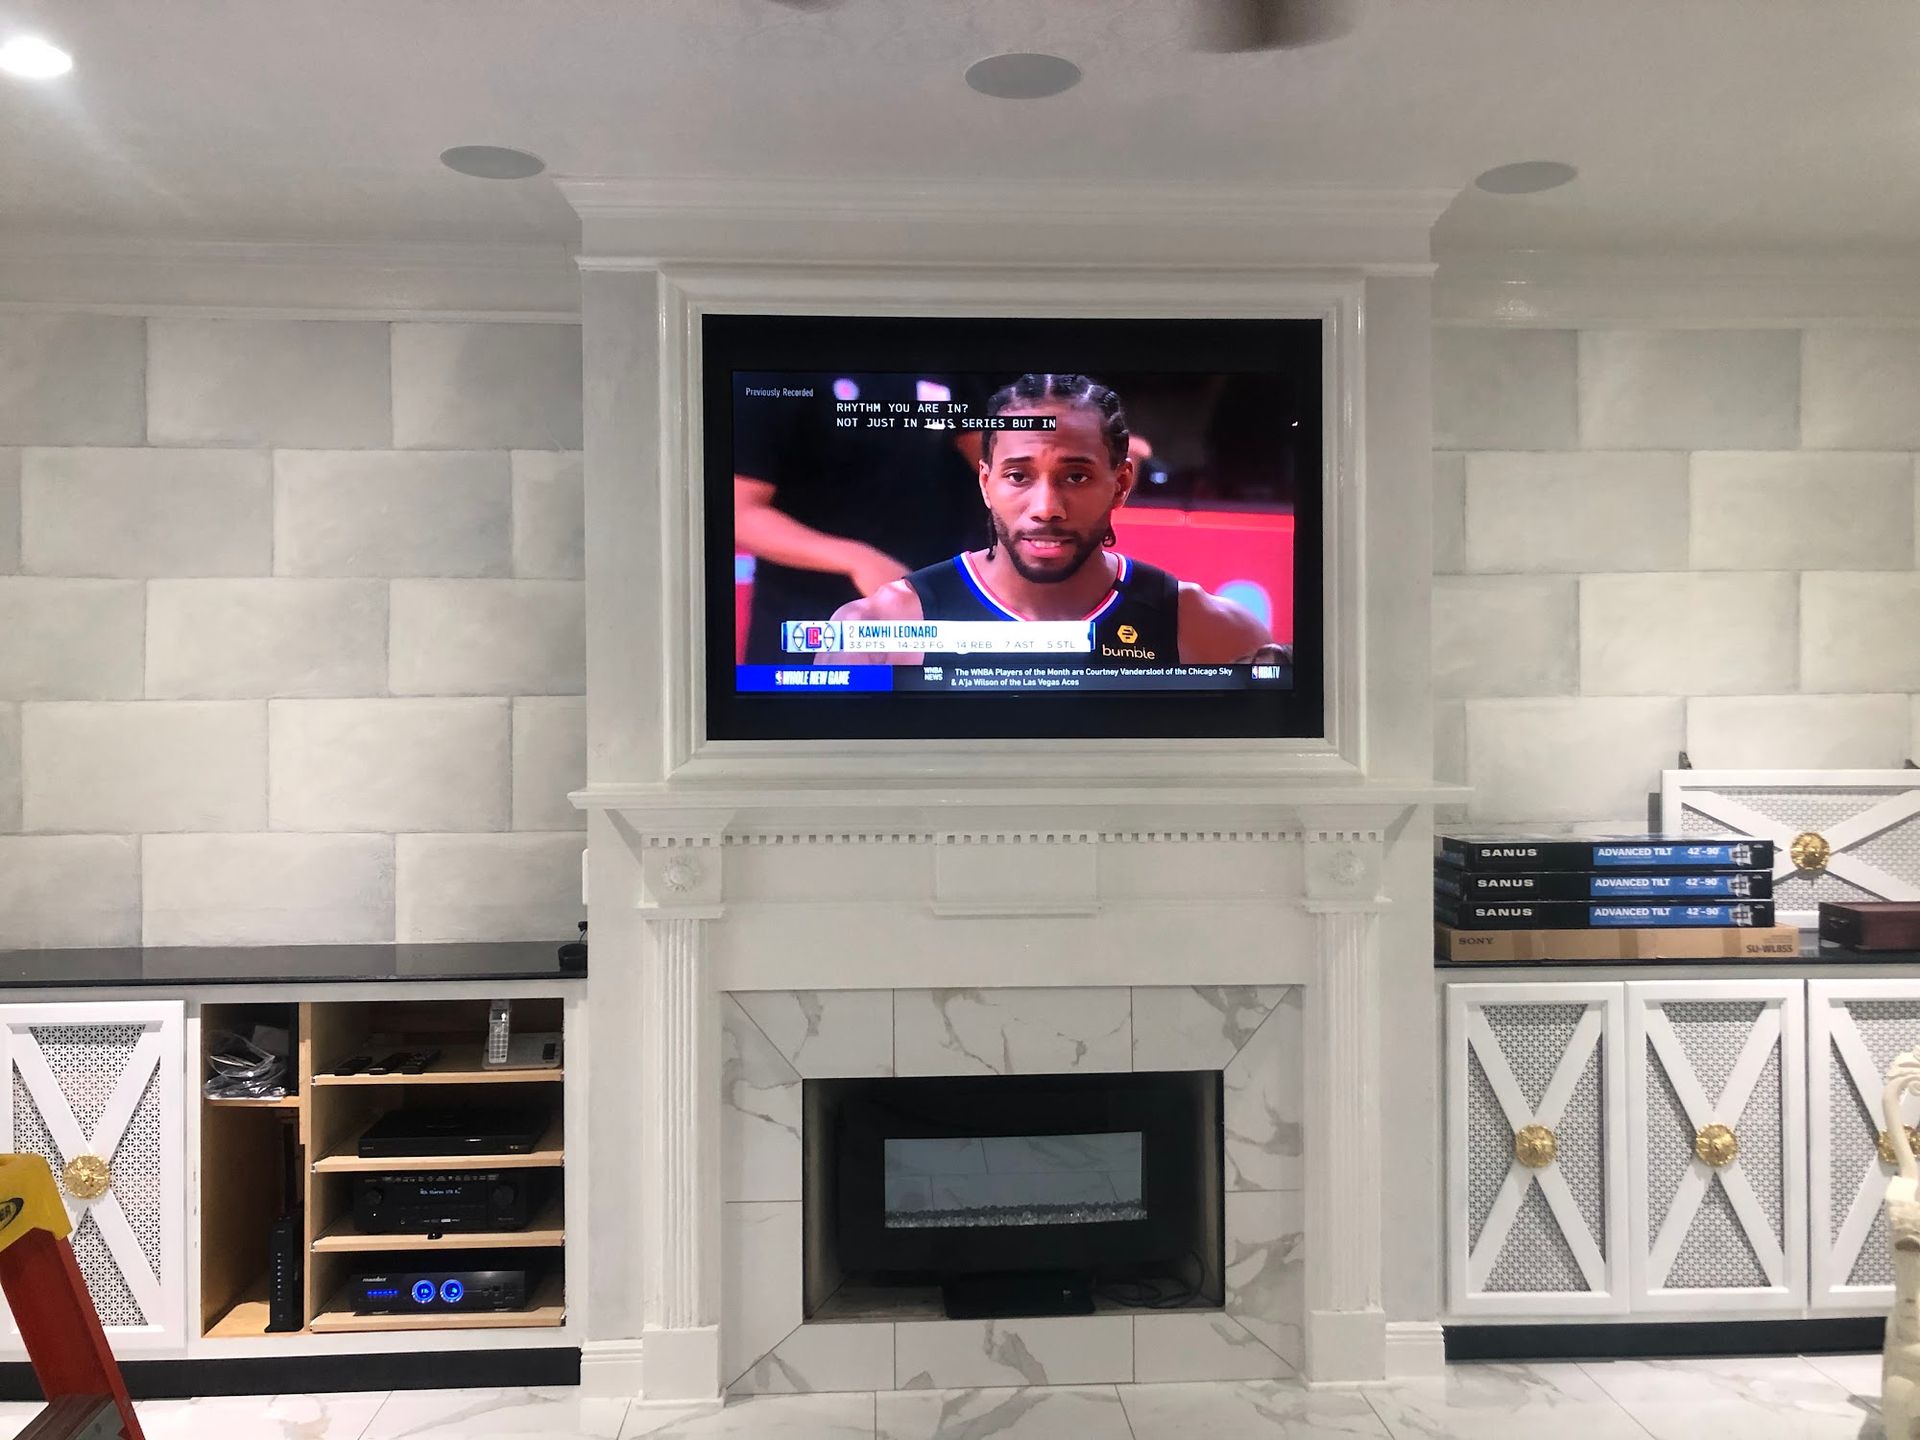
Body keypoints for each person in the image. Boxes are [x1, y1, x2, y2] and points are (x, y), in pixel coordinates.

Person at [823, 373, 1275, 666]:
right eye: (1018, 476)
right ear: (986, 483)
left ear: (1120, 485)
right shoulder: (876, 631)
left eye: (1076, 476)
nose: (1046, 507)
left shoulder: (1212, 630)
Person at [732, 372, 983, 665]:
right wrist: (858, 560)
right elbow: (740, 511)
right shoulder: (775, 372)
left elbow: (990, 456)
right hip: (810, 616)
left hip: (930, 608)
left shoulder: (946, 356)